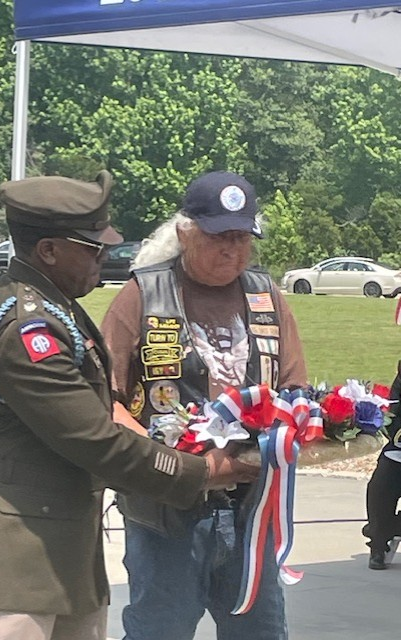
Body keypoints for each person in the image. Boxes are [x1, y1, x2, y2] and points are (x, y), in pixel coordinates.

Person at [0, 171, 252, 640]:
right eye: (92, 247)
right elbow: (93, 440)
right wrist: (201, 472)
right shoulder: (27, 330)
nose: (105, 255)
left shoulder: (57, 310)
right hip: (9, 563)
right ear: (49, 251)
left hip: (57, 552)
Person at [101, 170, 308, 640]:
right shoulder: (142, 294)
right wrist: (168, 464)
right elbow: (104, 402)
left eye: (242, 237)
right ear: (184, 233)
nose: (232, 249)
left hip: (252, 513)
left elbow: (296, 393)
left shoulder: (266, 295)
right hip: (166, 514)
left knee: (260, 632)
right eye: (219, 237)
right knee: (161, 630)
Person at [363, 359, 401, 569]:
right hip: (399, 453)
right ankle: (378, 543)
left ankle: (386, 527)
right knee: (380, 486)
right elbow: (393, 415)